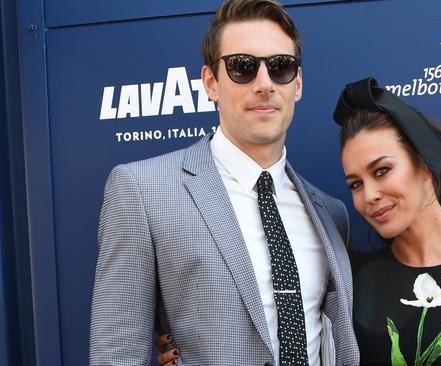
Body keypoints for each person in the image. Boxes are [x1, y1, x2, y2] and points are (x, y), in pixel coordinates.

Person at [156, 75, 441, 365]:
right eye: (355, 183)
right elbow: (265, 329)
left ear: (424, 165)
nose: (369, 196)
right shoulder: (348, 277)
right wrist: (185, 351)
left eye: (382, 171)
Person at [89, 0, 359, 365]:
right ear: (210, 82)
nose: (264, 84)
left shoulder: (332, 213)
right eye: (242, 67)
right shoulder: (141, 190)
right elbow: (116, 351)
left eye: (281, 67)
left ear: (297, 84)